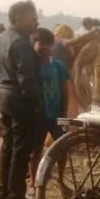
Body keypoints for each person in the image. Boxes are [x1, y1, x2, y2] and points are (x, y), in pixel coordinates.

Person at [0, 1, 42, 199]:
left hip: (3, 95)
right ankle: (16, 196)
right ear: (19, 18)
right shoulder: (21, 43)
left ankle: (2, 192)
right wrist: (37, 102)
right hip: (19, 98)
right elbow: (27, 78)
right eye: (33, 19)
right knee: (21, 149)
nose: (36, 22)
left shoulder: (2, 37)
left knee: (8, 146)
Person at [29, 28, 70, 176]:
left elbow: (65, 90)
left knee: (62, 147)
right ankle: (34, 184)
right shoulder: (31, 67)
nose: (45, 47)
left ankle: (60, 179)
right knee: (36, 150)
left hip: (56, 115)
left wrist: (64, 113)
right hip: (38, 116)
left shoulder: (58, 66)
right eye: (41, 43)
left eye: (48, 44)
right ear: (33, 44)